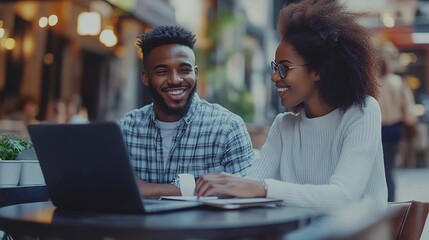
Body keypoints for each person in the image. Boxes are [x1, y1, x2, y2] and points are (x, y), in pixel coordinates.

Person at [195, 0, 387, 211]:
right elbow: (249, 188)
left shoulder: (362, 113)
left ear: (318, 70)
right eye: (275, 68)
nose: (275, 77)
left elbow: (343, 197)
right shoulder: (283, 125)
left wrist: (264, 189)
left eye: (285, 68)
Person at [119, 25, 254, 197]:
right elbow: (108, 189)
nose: (175, 80)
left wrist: (149, 189)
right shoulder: (125, 129)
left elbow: (247, 193)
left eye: (184, 70)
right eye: (162, 71)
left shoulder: (227, 128)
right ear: (146, 77)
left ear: (196, 73)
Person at [378, 56, 417, 202]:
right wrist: (410, 122)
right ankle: (391, 200)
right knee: (389, 167)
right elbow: (408, 106)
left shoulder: (371, 83)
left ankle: (380, 200)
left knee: (378, 169)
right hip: (395, 128)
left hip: (377, 129)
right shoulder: (397, 82)